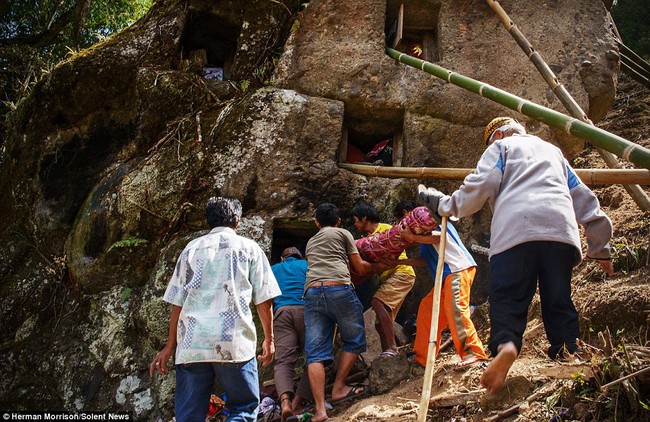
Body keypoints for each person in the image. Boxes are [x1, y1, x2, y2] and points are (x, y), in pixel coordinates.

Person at [418, 117, 614, 394]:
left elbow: (482, 183)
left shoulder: (502, 147)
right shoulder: (553, 152)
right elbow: (582, 196)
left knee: (507, 297)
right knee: (558, 298)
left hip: (516, 230)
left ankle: (506, 345)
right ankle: (569, 352)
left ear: (498, 133)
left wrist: (446, 205)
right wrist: (600, 247)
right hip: (559, 232)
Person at [150, 197, 281, 422]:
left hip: (192, 344)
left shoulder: (190, 249)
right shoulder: (249, 249)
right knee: (244, 407)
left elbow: (177, 303)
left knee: (189, 415)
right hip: (233, 342)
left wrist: (170, 346)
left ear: (208, 221)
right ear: (237, 221)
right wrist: (269, 339)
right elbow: (264, 299)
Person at [304, 203, 380, 422]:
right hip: (338, 288)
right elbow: (358, 266)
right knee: (354, 340)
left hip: (312, 293)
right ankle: (338, 388)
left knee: (315, 353)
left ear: (317, 223)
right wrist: (378, 266)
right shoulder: (343, 233)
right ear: (338, 221)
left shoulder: (311, 241)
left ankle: (320, 410)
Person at [391, 200, 488, 369]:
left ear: (408, 212)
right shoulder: (422, 234)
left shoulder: (429, 219)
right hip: (446, 277)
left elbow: (440, 235)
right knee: (427, 310)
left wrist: (412, 237)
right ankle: (423, 356)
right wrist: (400, 261)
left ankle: (473, 353)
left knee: (456, 309)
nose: (402, 225)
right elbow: (424, 261)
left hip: (457, 269)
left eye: (401, 220)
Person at [351, 201, 416, 358]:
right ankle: (390, 356)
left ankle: (392, 349)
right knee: (380, 323)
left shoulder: (386, 230)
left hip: (401, 273)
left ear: (364, 218)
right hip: (392, 277)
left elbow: (389, 256)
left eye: (356, 219)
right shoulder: (368, 238)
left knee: (377, 302)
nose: (355, 224)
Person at [271, 246, 312, 421]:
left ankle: (285, 403)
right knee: (315, 357)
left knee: (283, 362)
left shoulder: (273, 269)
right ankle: (298, 401)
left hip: (282, 313)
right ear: (299, 257)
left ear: (282, 258)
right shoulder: (306, 265)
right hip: (306, 311)